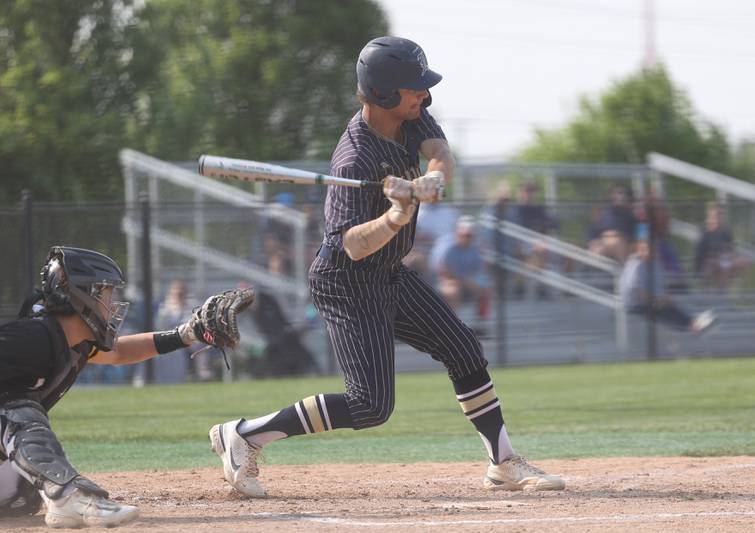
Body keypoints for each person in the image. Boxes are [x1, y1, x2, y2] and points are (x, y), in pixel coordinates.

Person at [208, 36, 565, 499]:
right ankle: (244, 435)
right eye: (414, 87)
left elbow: (440, 152)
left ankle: (503, 463)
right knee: (370, 406)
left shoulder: (411, 116)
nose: (425, 94)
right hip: (346, 282)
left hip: (389, 272)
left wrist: (432, 178)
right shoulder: (354, 158)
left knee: (464, 349)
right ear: (382, 94)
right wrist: (396, 214)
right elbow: (352, 246)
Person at [0, 246, 250, 528]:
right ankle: (67, 496)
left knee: (23, 486)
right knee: (15, 411)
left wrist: (186, 334)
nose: (114, 302)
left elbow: (119, 353)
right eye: (107, 292)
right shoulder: (34, 337)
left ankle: (59, 495)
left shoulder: (72, 343)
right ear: (83, 294)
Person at [620, 239, 716, 333]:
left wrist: (665, 298)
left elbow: (659, 288)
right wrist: (656, 300)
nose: (653, 252)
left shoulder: (655, 264)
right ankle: (691, 326)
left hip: (647, 301)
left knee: (671, 304)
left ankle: (693, 323)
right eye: (649, 249)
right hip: (635, 305)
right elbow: (638, 292)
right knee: (664, 310)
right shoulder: (636, 265)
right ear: (640, 249)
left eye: (654, 249)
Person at [432, 215, 491, 325]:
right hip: (445, 281)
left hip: (466, 280)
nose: (467, 237)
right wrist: (465, 281)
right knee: (454, 292)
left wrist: (472, 282)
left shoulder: (474, 248)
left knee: (485, 288)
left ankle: (481, 324)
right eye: (465, 235)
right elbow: (443, 271)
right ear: (457, 232)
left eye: (469, 235)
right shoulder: (447, 246)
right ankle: (452, 325)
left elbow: (478, 269)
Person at [694, 202, 749, 290]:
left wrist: (732, 255)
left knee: (742, 261)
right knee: (720, 265)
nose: (719, 217)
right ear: (710, 215)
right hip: (707, 263)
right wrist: (719, 255)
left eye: (721, 214)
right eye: (716, 214)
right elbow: (702, 254)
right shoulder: (705, 231)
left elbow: (731, 249)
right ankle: (720, 293)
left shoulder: (726, 232)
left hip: (723, 259)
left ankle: (725, 289)